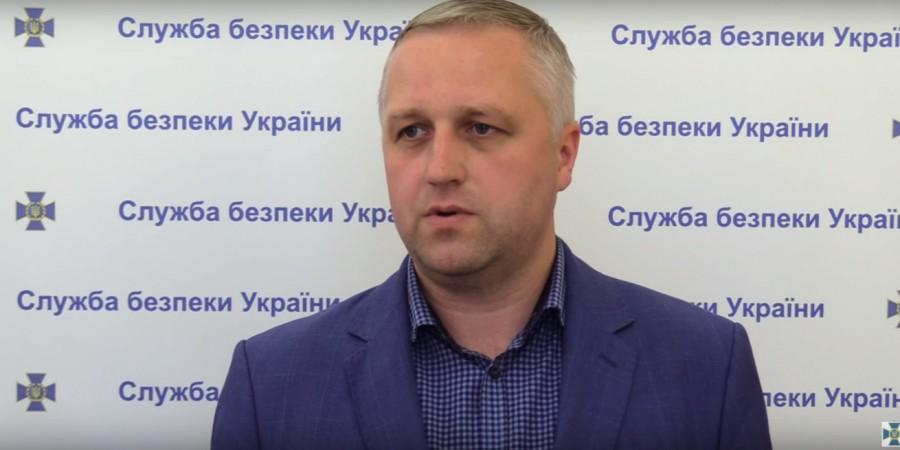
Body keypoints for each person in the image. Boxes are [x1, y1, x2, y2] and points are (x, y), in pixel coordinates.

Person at [211, 1, 772, 449]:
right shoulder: (271, 384)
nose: (440, 169)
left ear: (563, 155)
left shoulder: (704, 367)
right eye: (412, 131)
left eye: (480, 128)